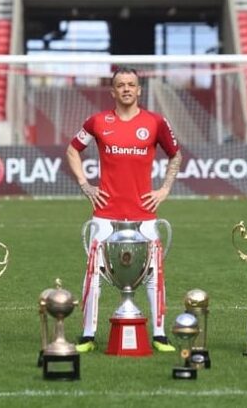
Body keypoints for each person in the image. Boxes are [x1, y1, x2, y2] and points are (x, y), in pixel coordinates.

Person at [66, 67, 183, 353]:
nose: (127, 89)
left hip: (144, 213)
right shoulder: (98, 121)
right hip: (106, 212)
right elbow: (72, 150)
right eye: (121, 85)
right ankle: (88, 335)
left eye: (131, 84)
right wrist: (85, 185)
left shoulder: (155, 122)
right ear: (113, 91)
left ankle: (159, 334)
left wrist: (165, 189)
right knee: (94, 274)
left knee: (154, 273)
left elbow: (175, 154)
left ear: (139, 90)